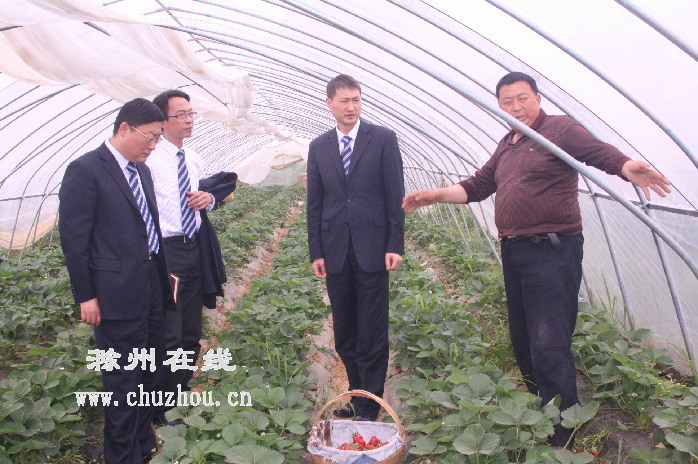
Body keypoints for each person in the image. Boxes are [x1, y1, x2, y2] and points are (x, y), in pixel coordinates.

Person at [402, 71, 671, 448]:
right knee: (524, 338)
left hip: (551, 249)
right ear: (499, 106)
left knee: (549, 341)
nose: (516, 107)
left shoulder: (558, 129)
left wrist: (626, 167)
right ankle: (540, 413)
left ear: (538, 98)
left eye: (522, 98)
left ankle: (562, 433)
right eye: (507, 101)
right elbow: (478, 186)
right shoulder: (508, 144)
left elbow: (596, 151)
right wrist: (435, 195)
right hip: (516, 250)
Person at [59, 98, 169, 463]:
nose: (153, 146)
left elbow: (146, 230)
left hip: (151, 285)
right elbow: (75, 240)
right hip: (114, 295)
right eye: (150, 137)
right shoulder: (86, 170)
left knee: (148, 371)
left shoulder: (142, 172)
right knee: (122, 379)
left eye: (158, 138)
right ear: (125, 128)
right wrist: (86, 295)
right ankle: (122, 456)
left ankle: (143, 443)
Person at [306, 74, 405, 421]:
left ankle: (369, 405)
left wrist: (394, 244)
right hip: (335, 250)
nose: (351, 107)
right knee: (346, 330)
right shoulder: (319, 146)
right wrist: (317, 251)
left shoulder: (383, 139)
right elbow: (315, 203)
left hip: (373, 248)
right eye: (344, 100)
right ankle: (356, 390)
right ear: (329, 103)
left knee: (372, 329)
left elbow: (395, 195)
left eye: (356, 99)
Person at [147, 89, 235, 424]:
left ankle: (179, 393)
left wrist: (208, 199)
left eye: (190, 113)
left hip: (194, 249)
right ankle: (162, 405)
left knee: (190, 332)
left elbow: (204, 197)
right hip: (167, 254)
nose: (188, 120)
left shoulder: (193, 158)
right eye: (180, 115)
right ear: (162, 121)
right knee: (169, 332)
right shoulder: (150, 159)